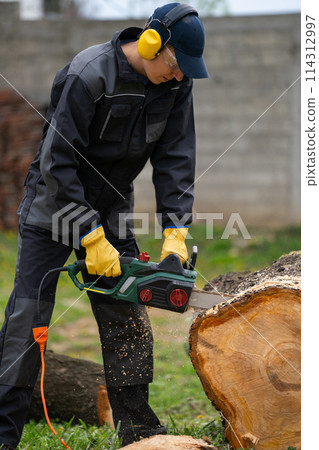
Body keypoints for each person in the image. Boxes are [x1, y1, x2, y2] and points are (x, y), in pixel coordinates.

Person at [0, 2, 209, 448]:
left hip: (111, 205)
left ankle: (138, 430)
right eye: (175, 66)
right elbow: (58, 162)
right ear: (153, 43)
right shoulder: (89, 74)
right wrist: (88, 234)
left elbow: (175, 158)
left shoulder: (177, 84)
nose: (178, 76)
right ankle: (3, 434)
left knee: (125, 312)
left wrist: (175, 230)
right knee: (27, 317)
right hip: (53, 205)